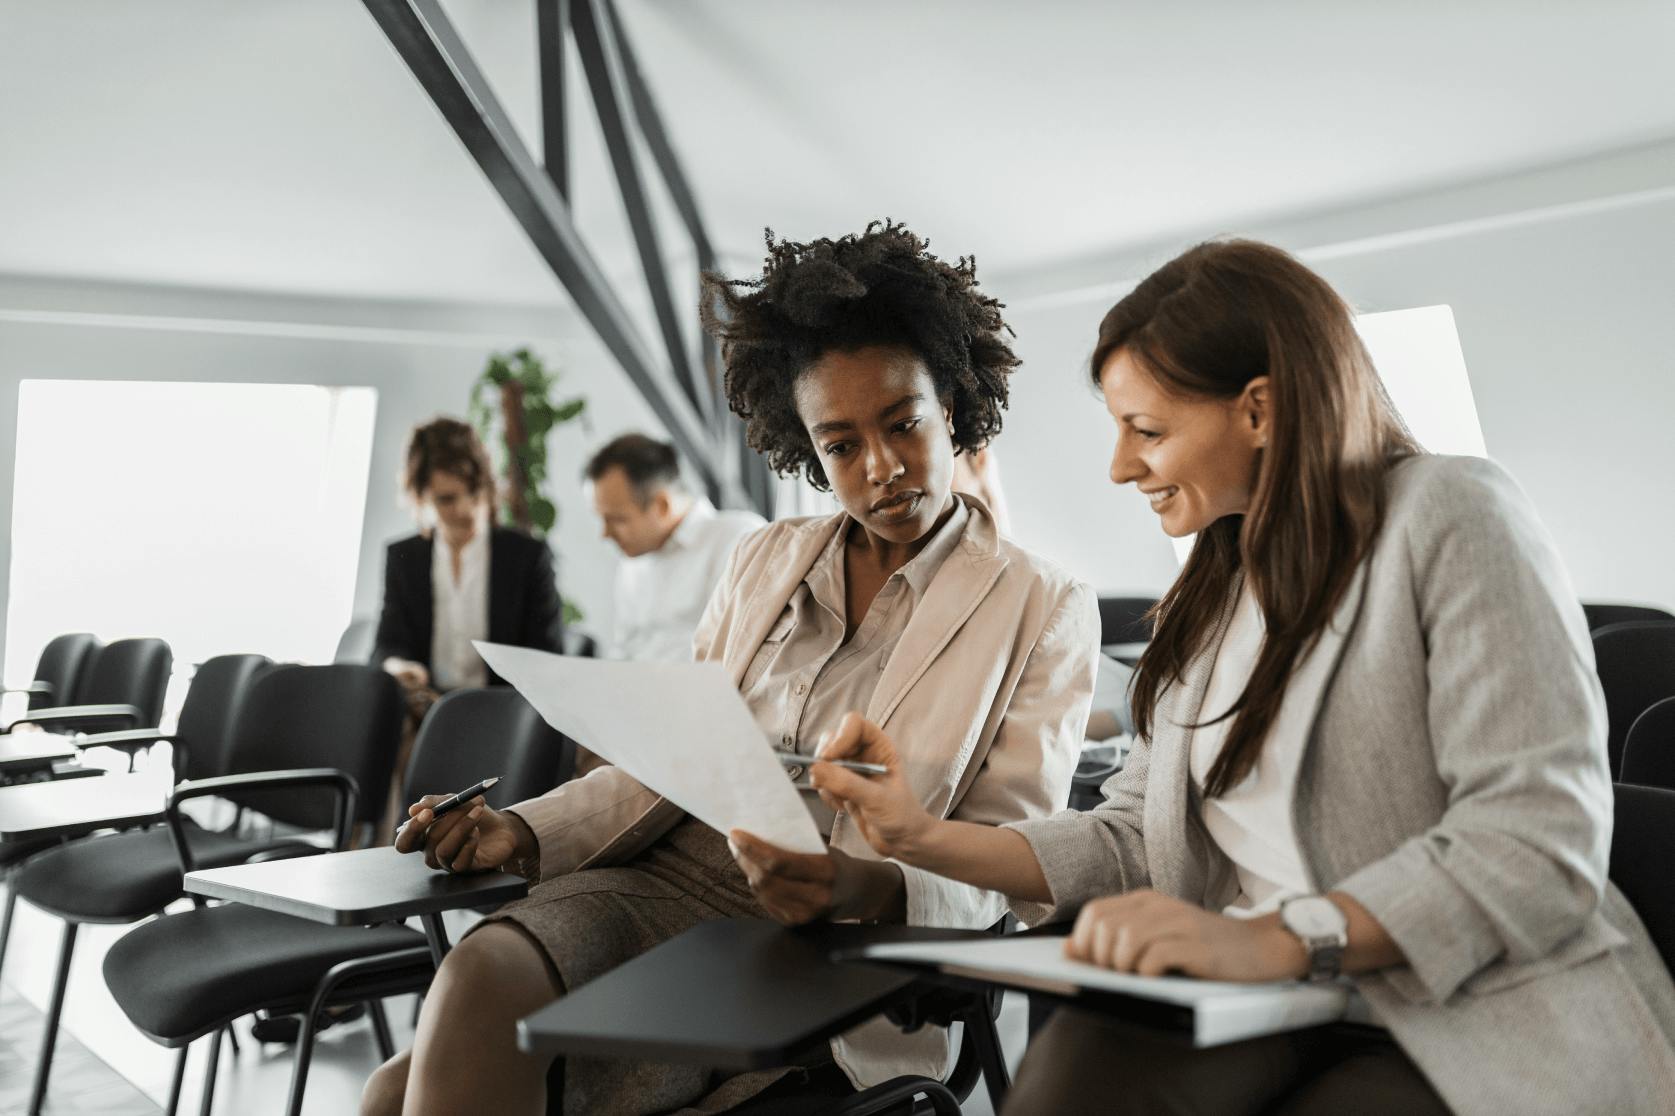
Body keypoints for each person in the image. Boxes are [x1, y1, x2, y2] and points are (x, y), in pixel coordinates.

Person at [813, 239, 1675, 1115]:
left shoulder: (1449, 514)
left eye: (1145, 431)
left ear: (1258, 410)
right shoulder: (1213, 588)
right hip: (1263, 998)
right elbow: (1134, 843)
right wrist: (915, 836)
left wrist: (1279, 939)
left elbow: (1534, 839)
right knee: (1076, 1070)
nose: (1118, 465)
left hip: (1462, 1005)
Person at [359, 221, 1099, 1116]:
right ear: (806, 446)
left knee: (399, 1092)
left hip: (819, 939)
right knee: (478, 972)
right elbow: (671, 761)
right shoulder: (764, 561)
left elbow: (1012, 858)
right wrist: (517, 830)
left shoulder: (1041, 603)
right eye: (839, 444)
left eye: (902, 423)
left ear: (952, 404)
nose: (880, 468)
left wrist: (855, 884)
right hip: (660, 875)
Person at [372, 417, 566, 826]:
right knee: (387, 719)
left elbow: (548, 656)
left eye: (472, 495)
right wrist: (399, 667)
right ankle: (396, 840)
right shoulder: (404, 558)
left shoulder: (526, 557)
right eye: (445, 499)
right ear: (422, 495)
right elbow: (389, 642)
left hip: (499, 709)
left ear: (486, 487)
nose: (462, 510)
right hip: (429, 706)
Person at [585, 432, 765, 663]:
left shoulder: (740, 539)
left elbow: (737, 652)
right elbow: (624, 650)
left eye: (617, 520)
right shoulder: (632, 562)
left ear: (661, 505)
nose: (605, 534)